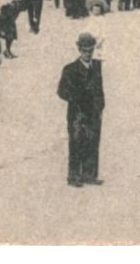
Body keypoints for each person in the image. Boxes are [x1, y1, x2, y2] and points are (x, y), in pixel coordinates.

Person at [57, 33, 106, 187]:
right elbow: (61, 91)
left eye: (90, 50)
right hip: (77, 114)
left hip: (93, 113)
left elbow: (100, 89)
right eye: (84, 51)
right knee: (76, 143)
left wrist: (100, 106)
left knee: (92, 142)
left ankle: (89, 175)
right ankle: (74, 177)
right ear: (79, 49)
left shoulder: (97, 66)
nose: (87, 54)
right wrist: (75, 98)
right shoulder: (70, 69)